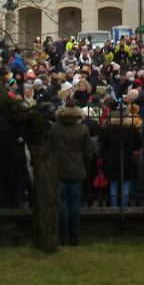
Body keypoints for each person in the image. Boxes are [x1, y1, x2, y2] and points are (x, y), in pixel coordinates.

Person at [51, 102, 92, 245]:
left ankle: (63, 233)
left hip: (59, 168)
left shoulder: (55, 128)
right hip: (77, 168)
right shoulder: (83, 129)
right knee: (74, 203)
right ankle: (74, 234)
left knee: (62, 202)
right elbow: (88, 152)